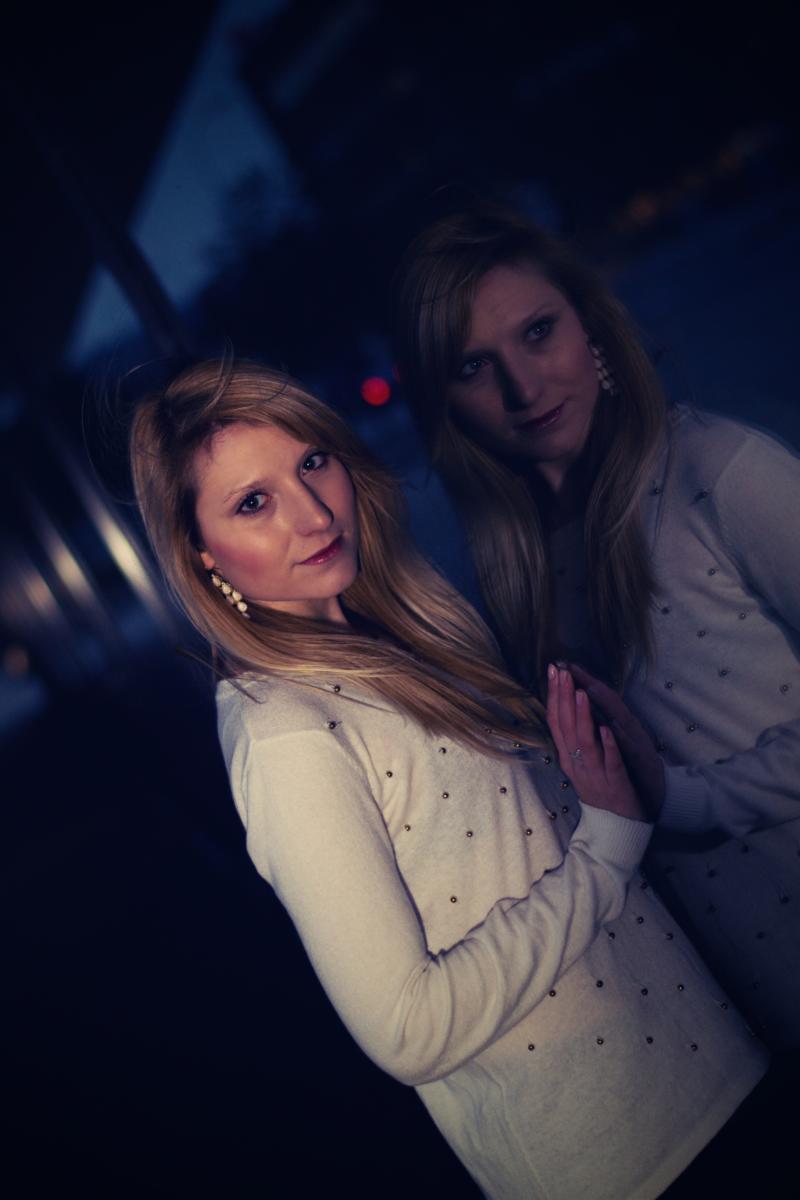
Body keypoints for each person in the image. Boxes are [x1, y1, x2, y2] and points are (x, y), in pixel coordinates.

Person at [129, 358, 767, 1200]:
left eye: (312, 462)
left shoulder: (400, 632)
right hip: (629, 1159)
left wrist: (618, 782)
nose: (313, 513)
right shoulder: (285, 732)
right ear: (201, 554)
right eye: (253, 503)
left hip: (718, 1066)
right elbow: (407, 1028)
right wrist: (609, 846)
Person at [392, 202, 800, 1052]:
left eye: (538, 332)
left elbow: (657, 802)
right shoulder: (513, 577)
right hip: (733, 1009)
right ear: (446, 404)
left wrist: (680, 802)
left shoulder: (719, 472)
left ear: (592, 329)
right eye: (474, 366)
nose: (523, 388)